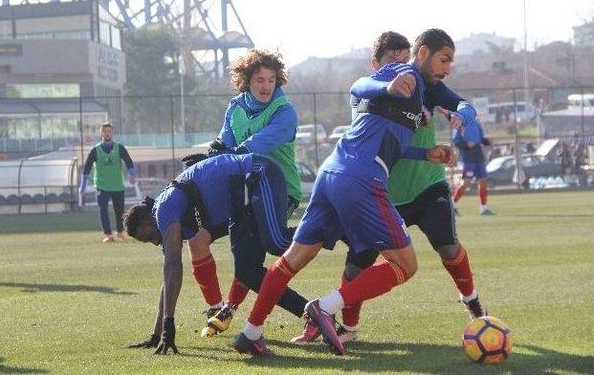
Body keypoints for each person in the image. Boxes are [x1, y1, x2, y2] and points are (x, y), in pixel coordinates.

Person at [233, 29, 456, 356]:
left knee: (294, 258)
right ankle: (324, 307)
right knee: (405, 265)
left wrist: (426, 153)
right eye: (444, 59)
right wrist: (386, 84)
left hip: (332, 173)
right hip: (362, 180)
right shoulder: (405, 74)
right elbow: (358, 84)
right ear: (421, 55)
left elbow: (388, 143)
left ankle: (250, 332)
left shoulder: (406, 101)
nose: (447, 68)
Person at [293, 31, 484, 345]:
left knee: (448, 247)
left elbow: (461, 102)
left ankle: (474, 306)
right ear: (376, 65)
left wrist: (461, 115)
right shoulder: (370, 95)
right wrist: (386, 86)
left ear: (414, 54)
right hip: (378, 193)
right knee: (356, 267)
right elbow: (361, 91)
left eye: (402, 56)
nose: (397, 65)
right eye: (389, 61)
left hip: (426, 186)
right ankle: (347, 327)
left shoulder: (425, 85)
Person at [124, 153, 309, 354]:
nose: (155, 243)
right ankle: (311, 313)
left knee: (277, 242)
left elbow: (173, 266)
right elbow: (168, 277)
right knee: (248, 272)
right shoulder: (163, 216)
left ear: (148, 223)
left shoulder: (164, 209)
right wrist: (158, 332)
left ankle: (326, 225)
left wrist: (169, 325)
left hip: (259, 173)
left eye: (150, 238)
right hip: (241, 202)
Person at [181, 49, 302, 334]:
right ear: (246, 80)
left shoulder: (285, 112)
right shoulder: (235, 107)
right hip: (241, 191)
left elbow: (251, 148)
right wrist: (212, 151)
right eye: (259, 79)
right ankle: (216, 307)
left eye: (272, 80)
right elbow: (225, 143)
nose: (266, 86)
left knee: (251, 254)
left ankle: (232, 310)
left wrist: (220, 154)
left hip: (278, 192)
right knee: (197, 238)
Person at [80, 123, 136, 242]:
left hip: (117, 185)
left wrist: (132, 175)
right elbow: (87, 168)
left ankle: (120, 233)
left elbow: (129, 162)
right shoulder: (95, 150)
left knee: (120, 211)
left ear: (112, 133)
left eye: (109, 131)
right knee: (103, 209)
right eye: (105, 131)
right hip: (102, 186)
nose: (107, 133)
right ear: (101, 133)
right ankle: (108, 235)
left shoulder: (119, 148)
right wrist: (82, 186)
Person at [451, 119, 494, 215]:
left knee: (483, 181)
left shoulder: (476, 123)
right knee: (466, 183)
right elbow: (456, 141)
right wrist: (466, 144)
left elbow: (481, 139)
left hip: (479, 155)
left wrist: (487, 142)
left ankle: (483, 208)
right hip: (468, 157)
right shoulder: (459, 123)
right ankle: (452, 205)